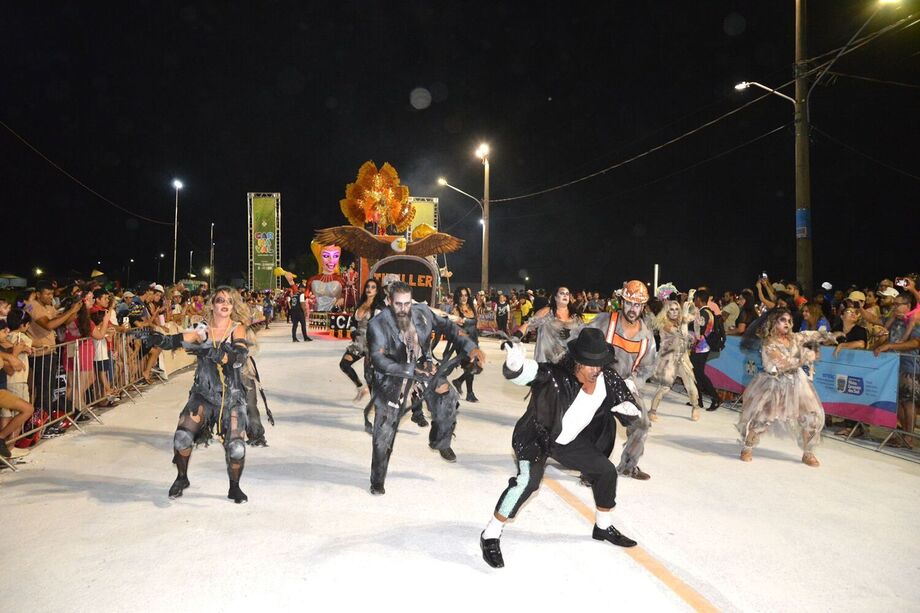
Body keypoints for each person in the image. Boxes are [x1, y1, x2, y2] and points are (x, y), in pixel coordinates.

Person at [479, 328, 640, 569]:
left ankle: (603, 526)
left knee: (605, 471)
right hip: (537, 437)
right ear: (577, 361)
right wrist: (515, 366)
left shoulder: (608, 379)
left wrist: (631, 409)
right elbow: (528, 373)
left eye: (600, 363)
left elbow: (627, 404)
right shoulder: (555, 377)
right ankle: (490, 533)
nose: (596, 369)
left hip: (568, 440)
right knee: (528, 483)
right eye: (590, 364)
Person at [365, 281, 485, 495]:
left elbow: (449, 327)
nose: (403, 309)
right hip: (392, 377)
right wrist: (413, 370)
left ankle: (440, 440)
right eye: (398, 304)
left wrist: (471, 347)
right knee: (384, 432)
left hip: (423, 370)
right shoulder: (378, 323)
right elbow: (378, 360)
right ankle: (377, 480)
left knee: (449, 397)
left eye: (407, 303)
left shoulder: (422, 312)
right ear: (389, 302)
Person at [151, 287, 254, 503]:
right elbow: (176, 340)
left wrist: (220, 354)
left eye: (229, 301)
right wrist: (157, 339)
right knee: (181, 438)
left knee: (236, 448)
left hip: (232, 397)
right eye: (220, 300)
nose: (225, 304)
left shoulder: (237, 329)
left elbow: (239, 356)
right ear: (212, 305)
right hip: (203, 395)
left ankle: (234, 487)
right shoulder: (202, 329)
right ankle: (182, 477)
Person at [738, 308, 842, 466]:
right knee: (762, 417)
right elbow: (784, 364)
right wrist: (806, 355)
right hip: (774, 383)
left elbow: (811, 334)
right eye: (782, 320)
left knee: (813, 415)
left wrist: (829, 336)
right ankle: (748, 447)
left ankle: (808, 452)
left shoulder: (795, 337)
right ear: (774, 322)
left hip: (798, 383)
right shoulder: (769, 343)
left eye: (789, 320)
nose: (787, 323)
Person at [587, 280, 658, 480]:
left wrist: (633, 382)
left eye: (637, 305)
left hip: (626, 385)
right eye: (629, 303)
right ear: (622, 302)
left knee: (642, 423)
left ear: (642, 307)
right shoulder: (605, 322)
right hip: (598, 380)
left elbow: (648, 366)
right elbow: (581, 340)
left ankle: (628, 465)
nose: (632, 309)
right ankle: (590, 469)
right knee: (596, 423)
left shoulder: (646, 336)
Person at [649, 299, 700, 421]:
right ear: (667, 311)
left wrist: (690, 304)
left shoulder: (681, 321)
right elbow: (680, 334)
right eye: (671, 309)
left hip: (682, 357)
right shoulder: (665, 324)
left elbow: (696, 313)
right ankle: (652, 411)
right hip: (669, 358)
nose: (674, 312)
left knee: (691, 385)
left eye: (677, 309)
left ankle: (695, 407)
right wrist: (685, 319)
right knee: (665, 387)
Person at [338, 278, 385, 402]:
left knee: (369, 375)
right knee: (344, 365)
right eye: (368, 286)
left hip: (372, 344)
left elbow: (383, 325)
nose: (369, 289)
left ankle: (376, 403)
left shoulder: (379, 306)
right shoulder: (361, 303)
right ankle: (360, 387)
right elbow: (353, 321)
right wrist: (353, 329)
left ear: (377, 290)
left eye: (373, 287)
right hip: (358, 343)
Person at [516, 287, 584, 364]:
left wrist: (571, 334)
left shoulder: (575, 317)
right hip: (546, 362)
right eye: (562, 293)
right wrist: (515, 337)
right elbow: (528, 325)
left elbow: (583, 335)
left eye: (567, 294)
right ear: (555, 297)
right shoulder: (546, 312)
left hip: (568, 363)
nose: (565, 296)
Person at [689, 289, 721, 411]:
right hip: (701, 347)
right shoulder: (707, 312)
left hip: (701, 347)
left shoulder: (704, 313)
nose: (694, 301)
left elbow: (699, 331)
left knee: (699, 374)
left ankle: (715, 398)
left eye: (694, 299)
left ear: (698, 299)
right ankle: (698, 400)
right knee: (696, 373)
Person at [449, 287, 482, 402]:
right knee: (470, 365)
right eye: (461, 295)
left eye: (466, 295)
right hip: (463, 341)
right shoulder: (456, 309)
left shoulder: (472, 307)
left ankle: (459, 381)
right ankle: (470, 393)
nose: (464, 298)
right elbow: (455, 326)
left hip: (474, 340)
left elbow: (475, 325)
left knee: (476, 366)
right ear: (457, 297)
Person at [285, 274, 312, 342]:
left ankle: (294, 338)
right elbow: (302, 303)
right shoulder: (301, 294)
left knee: (295, 325)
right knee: (303, 324)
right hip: (299, 311)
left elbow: (292, 303)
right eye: (304, 288)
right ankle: (305, 337)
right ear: (301, 288)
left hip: (293, 311)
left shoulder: (294, 295)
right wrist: (305, 311)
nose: (304, 289)